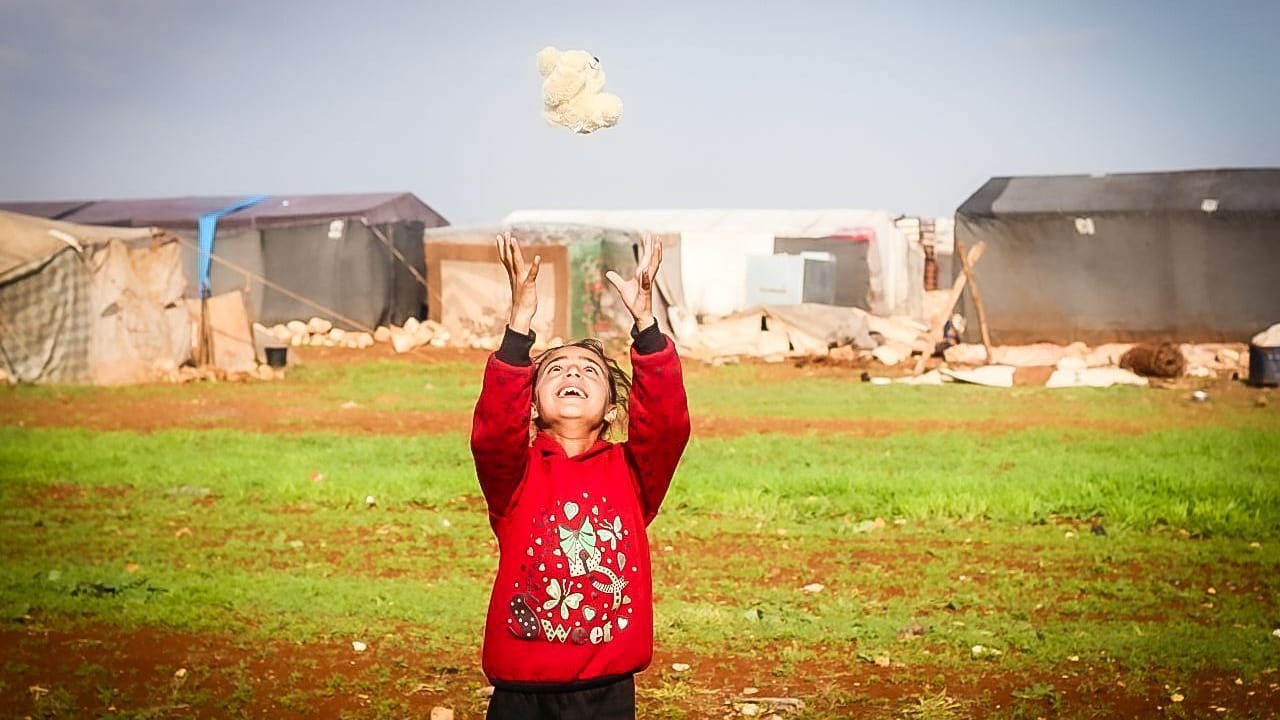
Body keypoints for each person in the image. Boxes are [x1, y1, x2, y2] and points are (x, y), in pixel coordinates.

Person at [471, 231, 691, 720]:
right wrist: (518, 328)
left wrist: (647, 328)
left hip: (607, 690)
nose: (573, 374)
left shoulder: (631, 476)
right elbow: (492, 434)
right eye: (556, 370)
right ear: (530, 405)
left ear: (613, 408)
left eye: (590, 370)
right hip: (521, 692)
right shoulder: (514, 479)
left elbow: (668, 423)